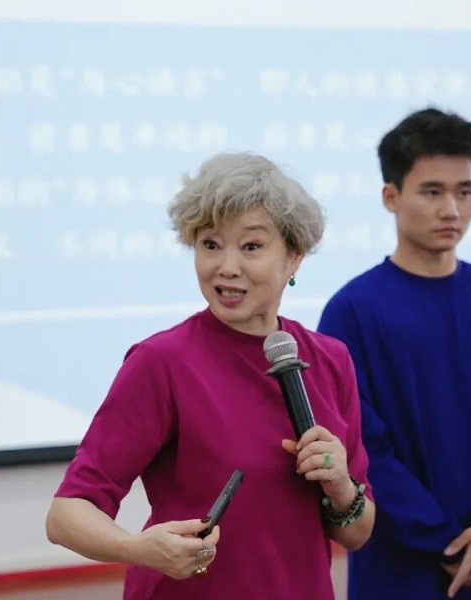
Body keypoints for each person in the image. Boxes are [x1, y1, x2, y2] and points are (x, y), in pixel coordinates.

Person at [46, 152, 375, 599]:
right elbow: (65, 515)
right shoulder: (161, 362)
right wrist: (139, 548)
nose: (227, 266)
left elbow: (357, 533)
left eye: (251, 246)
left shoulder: (331, 359)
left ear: (294, 257)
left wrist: (341, 489)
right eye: (211, 244)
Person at [318, 108, 471, 600]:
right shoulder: (353, 312)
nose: (451, 209)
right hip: (398, 570)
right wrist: (442, 538)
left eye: (464, 192)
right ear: (391, 196)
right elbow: (364, 449)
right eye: (432, 192)